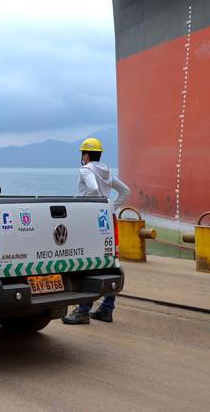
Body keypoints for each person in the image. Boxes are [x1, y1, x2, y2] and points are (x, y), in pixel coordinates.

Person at [62, 137, 130, 325]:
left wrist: (88, 208)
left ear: (85, 155)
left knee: (87, 265)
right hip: (106, 220)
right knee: (108, 263)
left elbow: (91, 188)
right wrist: (110, 207)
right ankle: (106, 309)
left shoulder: (85, 169)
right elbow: (125, 191)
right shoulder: (107, 171)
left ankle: (83, 312)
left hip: (89, 221)